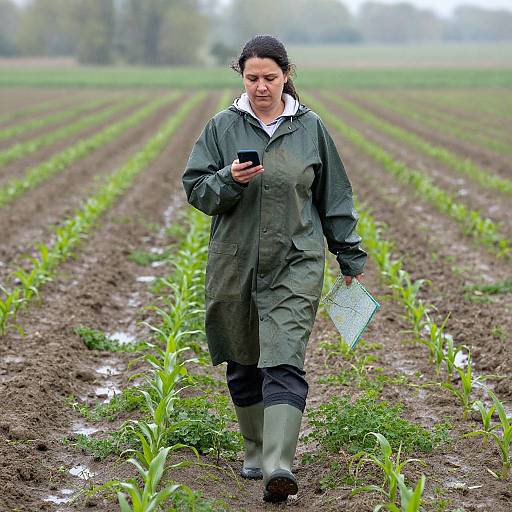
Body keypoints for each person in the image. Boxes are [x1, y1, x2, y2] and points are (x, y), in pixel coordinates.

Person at [182, 34, 366, 503]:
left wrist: (349, 256)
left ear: (286, 75)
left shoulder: (311, 128)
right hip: (236, 261)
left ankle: (279, 464)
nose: (261, 86)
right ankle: (255, 447)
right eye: (252, 78)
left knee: (283, 357)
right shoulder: (222, 128)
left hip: (296, 261)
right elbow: (198, 192)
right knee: (243, 359)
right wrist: (228, 179)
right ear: (241, 78)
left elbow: (334, 197)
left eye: (270, 77)